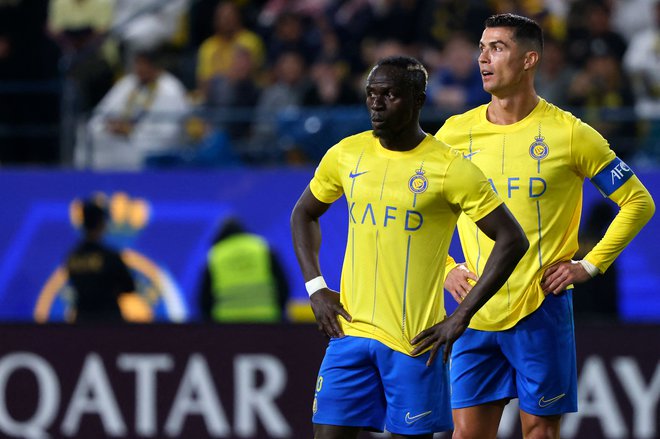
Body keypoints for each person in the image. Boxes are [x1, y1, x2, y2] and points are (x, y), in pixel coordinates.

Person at [434, 14, 655, 439]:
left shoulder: (570, 134)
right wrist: (446, 269)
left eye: (497, 47)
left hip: (541, 308)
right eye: (482, 47)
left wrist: (589, 265)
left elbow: (638, 201)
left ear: (530, 58)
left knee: (539, 432)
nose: (483, 58)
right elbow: (422, 211)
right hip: (474, 309)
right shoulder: (454, 134)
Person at [290, 55, 529, 439]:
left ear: (418, 99)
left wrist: (462, 315)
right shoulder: (346, 153)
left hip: (414, 344)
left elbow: (513, 239)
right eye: (371, 93)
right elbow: (303, 214)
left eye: (390, 94)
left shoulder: (450, 168)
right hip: (349, 335)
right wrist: (316, 289)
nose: (377, 103)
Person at [84, 49, 190, 170]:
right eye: (138, 64)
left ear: (155, 66)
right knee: (94, 137)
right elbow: (101, 113)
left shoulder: (171, 89)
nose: (140, 68)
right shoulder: (127, 83)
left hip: (149, 146)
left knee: (130, 153)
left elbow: (169, 133)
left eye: (144, 64)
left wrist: (132, 132)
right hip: (119, 139)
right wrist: (110, 125)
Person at [66, 198, 147, 323]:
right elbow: (129, 286)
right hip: (108, 322)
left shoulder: (72, 257)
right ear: (101, 224)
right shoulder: (109, 257)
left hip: (82, 321)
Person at [198, 217, 289, 322]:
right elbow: (283, 286)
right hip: (265, 320)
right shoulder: (262, 248)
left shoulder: (216, 255)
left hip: (227, 324)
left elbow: (204, 299)